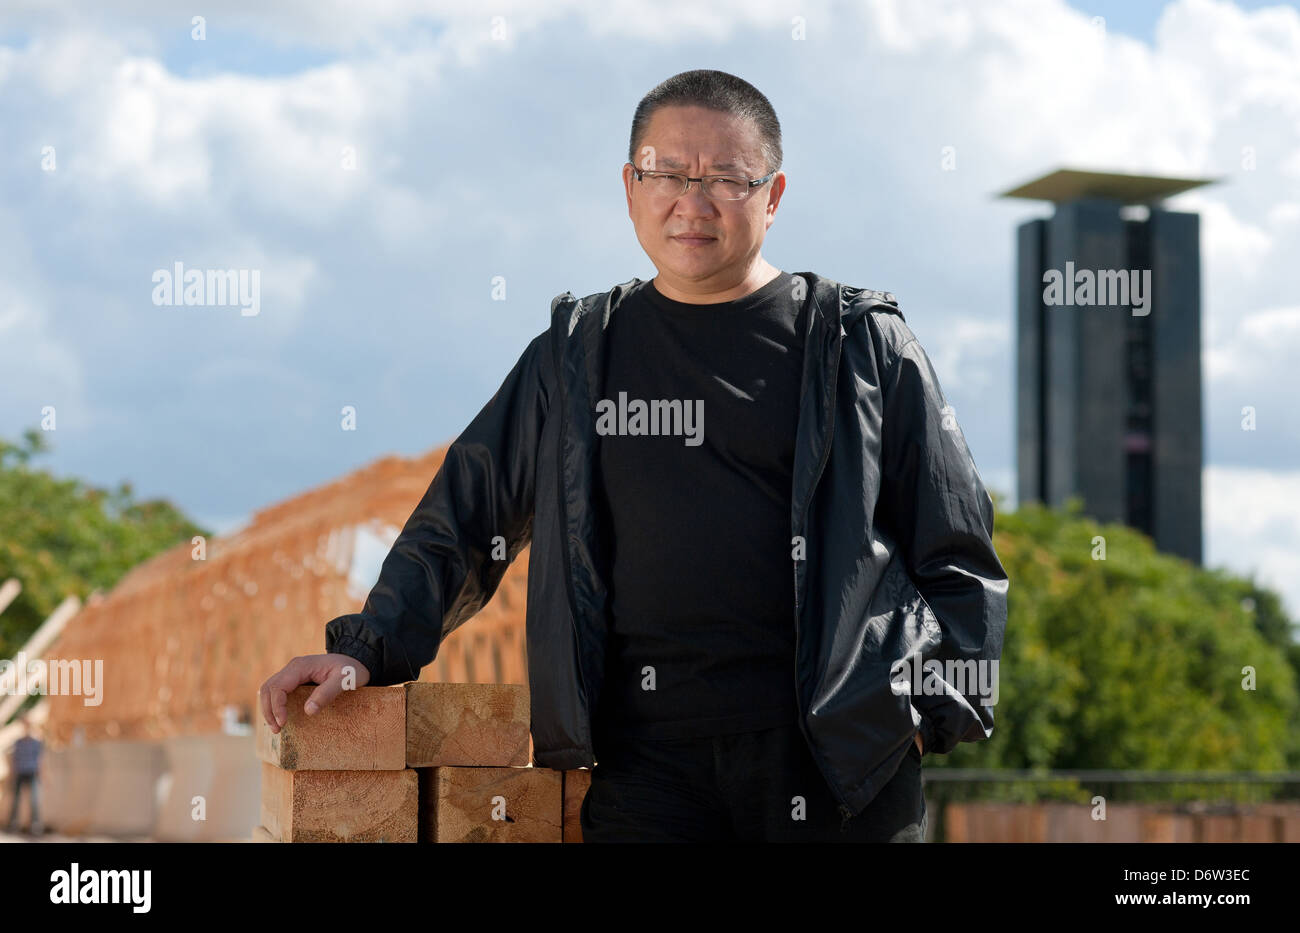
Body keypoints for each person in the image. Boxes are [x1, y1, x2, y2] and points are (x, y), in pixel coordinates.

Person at [259, 69, 1008, 842]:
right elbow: (465, 512)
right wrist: (366, 652)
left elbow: (959, 550)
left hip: (840, 768)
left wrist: (926, 717)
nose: (694, 200)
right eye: (667, 174)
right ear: (630, 185)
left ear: (773, 194)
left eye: (726, 177)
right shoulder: (575, 355)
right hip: (649, 771)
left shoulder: (860, 344)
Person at [6, 716, 43, 836]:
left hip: (32, 772)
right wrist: (11, 776)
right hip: (20, 772)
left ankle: (35, 825)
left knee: (34, 800)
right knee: (16, 800)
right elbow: (14, 760)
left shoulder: (37, 743)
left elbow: (40, 760)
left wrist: (43, 775)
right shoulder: (18, 742)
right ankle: (13, 824)